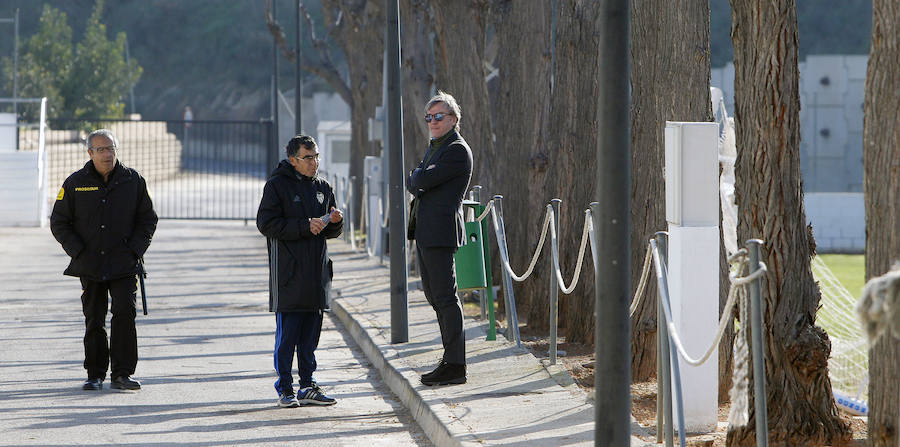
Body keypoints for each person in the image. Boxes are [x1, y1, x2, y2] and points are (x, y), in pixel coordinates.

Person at [50, 129, 158, 391]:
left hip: (124, 263)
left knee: (124, 314)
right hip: (90, 264)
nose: (107, 154)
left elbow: (147, 220)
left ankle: (122, 374)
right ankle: (95, 374)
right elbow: (59, 222)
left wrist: (135, 250)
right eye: (101, 150)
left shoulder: (133, 181)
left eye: (111, 149)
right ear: (90, 153)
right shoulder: (75, 183)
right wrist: (78, 251)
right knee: (94, 319)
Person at [257, 135, 343, 407]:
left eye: (316, 156)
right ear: (293, 160)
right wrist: (304, 226)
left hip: (316, 274)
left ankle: (308, 385)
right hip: (289, 274)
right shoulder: (276, 186)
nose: (314, 162)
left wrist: (335, 222)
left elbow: (330, 230)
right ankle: (285, 387)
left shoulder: (323, 187)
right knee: (288, 336)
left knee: (310, 337)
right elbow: (267, 224)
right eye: (308, 157)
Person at [406, 91, 473, 386]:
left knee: (446, 297)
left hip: (441, 232)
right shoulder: (436, 146)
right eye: (429, 117)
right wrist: (418, 176)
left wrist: (418, 176)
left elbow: (420, 180)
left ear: (454, 119)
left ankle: (455, 365)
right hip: (425, 231)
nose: (432, 121)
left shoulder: (456, 150)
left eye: (438, 117)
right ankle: (449, 359)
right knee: (434, 296)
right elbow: (417, 179)